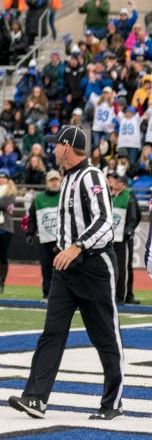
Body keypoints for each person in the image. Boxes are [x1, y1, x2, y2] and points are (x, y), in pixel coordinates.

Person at [11, 125, 123, 420]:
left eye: (56, 145)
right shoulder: (67, 177)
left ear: (68, 147)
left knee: (105, 336)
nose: (52, 150)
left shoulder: (92, 176)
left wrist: (76, 247)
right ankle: (35, 398)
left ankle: (113, 402)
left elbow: (104, 223)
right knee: (52, 332)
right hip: (66, 268)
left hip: (94, 264)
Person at [25, 170, 62, 300]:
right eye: (51, 181)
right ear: (46, 182)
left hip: (61, 240)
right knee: (46, 268)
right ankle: (47, 293)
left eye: (56, 180)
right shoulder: (38, 199)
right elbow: (32, 218)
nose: (54, 183)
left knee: (63, 269)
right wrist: (30, 233)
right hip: (44, 239)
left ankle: (63, 295)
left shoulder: (65, 196)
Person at [107, 171, 139, 305]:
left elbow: (134, 217)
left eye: (117, 181)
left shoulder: (128, 197)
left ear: (124, 184)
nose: (114, 182)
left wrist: (128, 232)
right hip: (111, 238)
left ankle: (122, 296)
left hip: (122, 239)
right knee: (112, 268)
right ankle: (113, 295)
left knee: (123, 268)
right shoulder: (110, 197)